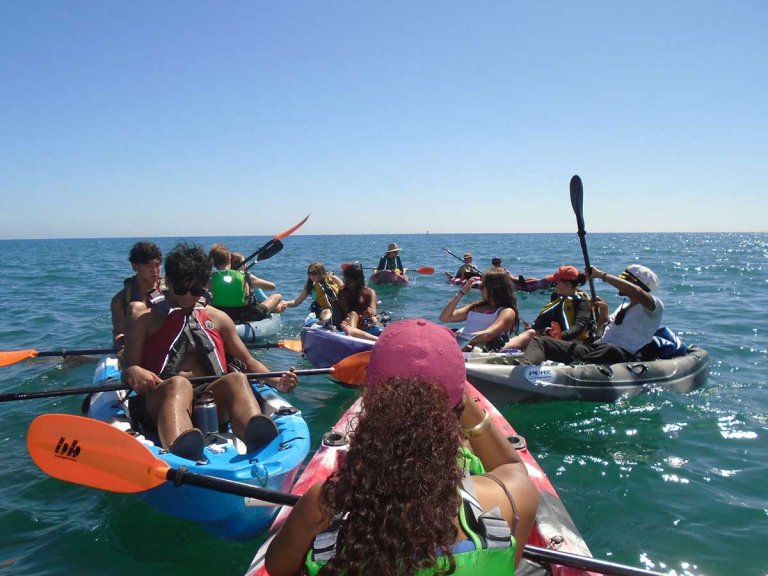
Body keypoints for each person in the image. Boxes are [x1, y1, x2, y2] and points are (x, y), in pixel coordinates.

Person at [264, 319, 538, 575]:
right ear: (459, 408)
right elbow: (511, 466)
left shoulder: (323, 505)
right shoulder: (507, 497)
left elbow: (277, 568)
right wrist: (462, 399)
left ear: (370, 405)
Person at [122, 243, 298, 461]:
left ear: (205, 286)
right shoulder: (146, 320)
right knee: (179, 384)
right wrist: (134, 371)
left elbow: (248, 360)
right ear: (169, 283)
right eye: (181, 290)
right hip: (161, 396)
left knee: (236, 378)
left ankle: (260, 444)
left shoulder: (218, 319)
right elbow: (128, 367)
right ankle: (182, 452)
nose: (188, 297)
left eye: (196, 291)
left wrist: (276, 380)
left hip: (210, 400)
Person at [517, 263, 663, 366]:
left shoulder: (654, 306)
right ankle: (522, 368)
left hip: (620, 355)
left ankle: (575, 368)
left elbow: (637, 292)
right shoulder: (623, 307)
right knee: (540, 341)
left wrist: (600, 275)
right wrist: (604, 311)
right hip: (597, 349)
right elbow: (601, 331)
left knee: (610, 349)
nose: (620, 283)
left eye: (625, 281)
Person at [503, 265, 594, 351]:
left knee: (534, 335)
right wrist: (535, 327)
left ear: (567, 284)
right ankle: (502, 349)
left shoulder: (582, 302)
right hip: (555, 340)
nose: (554, 285)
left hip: (575, 343)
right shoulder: (556, 298)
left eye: (557, 282)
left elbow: (580, 326)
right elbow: (549, 318)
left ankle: (502, 350)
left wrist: (561, 335)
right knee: (532, 332)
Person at [439, 267, 519, 352]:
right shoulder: (476, 307)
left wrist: (460, 339)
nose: (480, 288)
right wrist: (462, 292)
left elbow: (488, 334)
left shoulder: (506, 311)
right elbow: (444, 317)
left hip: (479, 348)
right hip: (463, 344)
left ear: (494, 288)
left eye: (482, 286)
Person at [208, 243, 285, 323]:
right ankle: (276, 308)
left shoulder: (209, 279)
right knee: (277, 296)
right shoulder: (245, 276)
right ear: (229, 259)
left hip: (219, 315)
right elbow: (272, 287)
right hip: (244, 315)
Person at [110, 241, 163, 348]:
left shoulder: (170, 290)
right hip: (137, 344)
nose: (155, 271)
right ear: (135, 267)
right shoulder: (120, 300)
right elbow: (119, 333)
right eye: (148, 266)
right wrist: (121, 345)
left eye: (157, 265)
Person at [283, 262, 344, 326]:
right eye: (309, 273)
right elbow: (296, 302)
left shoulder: (332, 278)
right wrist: (285, 303)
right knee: (327, 311)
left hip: (339, 307)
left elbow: (345, 290)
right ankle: (327, 325)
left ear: (322, 272)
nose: (311, 276)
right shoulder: (310, 287)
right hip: (324, 309)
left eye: (314, 273)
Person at [337, 262, 379, 341]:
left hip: (365, 321)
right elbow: (345, 313)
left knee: (373, 319)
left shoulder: (370, 292)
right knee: (353, 314)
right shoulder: (343, 292)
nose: (346, 284)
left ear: (358, 280)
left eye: (348, 282)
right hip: (349, 320)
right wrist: (358, 316)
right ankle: (353, 335)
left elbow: (373, 310)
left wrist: (369, 312)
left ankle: (353, 333)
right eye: (344, 281)